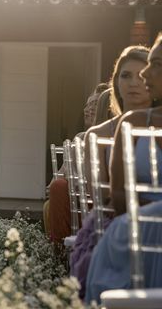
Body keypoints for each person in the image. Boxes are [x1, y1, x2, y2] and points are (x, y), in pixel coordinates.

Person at [70, 46, 151, 297]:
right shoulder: (98, 134)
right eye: (125, 75)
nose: (133, 83)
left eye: (141, 75)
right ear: (115, 81)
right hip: (112, 218)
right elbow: (101, 197)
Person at [86, 36, 162, 303]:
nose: (142, 76)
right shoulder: (132, 124)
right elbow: (113, 198)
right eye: (125, 75)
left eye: (156, 65)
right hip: (135, 227)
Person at [46, 82, 109, 247]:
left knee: (58, 191)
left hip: (99, 201)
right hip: (78, 201)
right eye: (87, 105)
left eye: (95, 104)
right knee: (57, 190)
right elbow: (60, 175)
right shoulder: (80, 138)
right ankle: (58, 252)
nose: (88, 109)